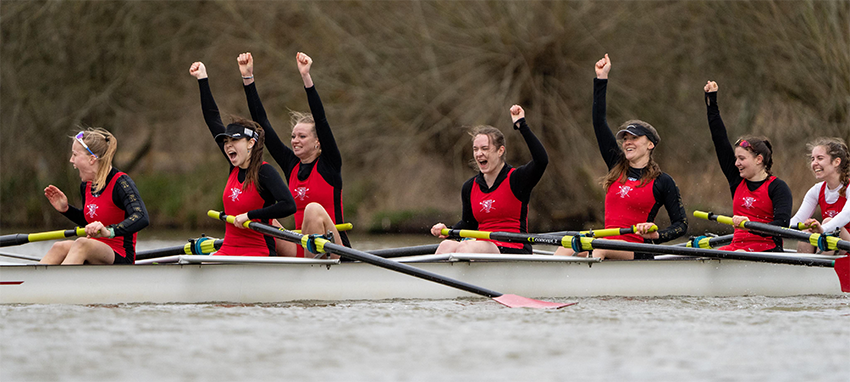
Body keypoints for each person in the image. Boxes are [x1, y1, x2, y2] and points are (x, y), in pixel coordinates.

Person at [555, 54, 687, 259]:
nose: (627, 142)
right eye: (624, 138)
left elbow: (681, 225)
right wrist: (601, 79)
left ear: (650, 144)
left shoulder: (663, 182)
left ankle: (586, 282)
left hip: (639, 250)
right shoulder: (617, 166)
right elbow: (599, 122)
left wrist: (656, 235)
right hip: (608, 244)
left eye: (634, 138)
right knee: (567, 245)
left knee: (600, 247)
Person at [237, 52, 348, 258]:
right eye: (293, 136)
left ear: (317, 142)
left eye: (302, 136)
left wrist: (306, 77)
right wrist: (248, 78)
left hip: (336, 249)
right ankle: (255, 264)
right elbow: (263, 124)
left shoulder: (330, 163)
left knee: (312, 210)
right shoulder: (291, 164)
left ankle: (308, 269)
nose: (295, 140)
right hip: (301, 245)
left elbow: (321, 120)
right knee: (259, 218)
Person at [189, 61, 296, 256]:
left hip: (258, 251)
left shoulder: (265, 172)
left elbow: (288, 205)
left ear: (250, 143)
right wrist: (202, 79)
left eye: (234, 140)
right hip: (228, 249)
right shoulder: (234, 167)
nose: (228, 145)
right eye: (226, 141)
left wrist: (250, 216)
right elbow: (212, 119)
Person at [429, 104, 548, 254]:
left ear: (500, 151)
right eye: (475, 149)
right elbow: (468, 224)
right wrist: (448, 230)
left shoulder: (517, 179)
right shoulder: (469, 187)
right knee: (446, 246)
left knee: (467, 247)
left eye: (484, 149)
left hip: (514, 248)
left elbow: (541, 161)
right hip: (482, 246)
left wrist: (521, 124)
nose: (479, 154)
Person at [704, 80, 793, 252]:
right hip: (737, 247)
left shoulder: (778, 187)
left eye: (742, 159)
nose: (736, 163)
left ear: (759, 159)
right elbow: (719, 139)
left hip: (767, 250)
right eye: (736, 158)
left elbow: (782, 225)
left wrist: (750, 226)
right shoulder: (736, 179)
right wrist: (711, 101)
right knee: (713, 255)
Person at [41, 128, 149, 264]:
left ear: (92, 159)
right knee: (59, 247)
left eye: (75, 155)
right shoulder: (86, 185)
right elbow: (89, 222)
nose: (71, 160)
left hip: (119, 254)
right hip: (93, 249)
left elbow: (141, 217)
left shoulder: (121, 183)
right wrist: (66, 209)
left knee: (81, 244)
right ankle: (32, 284)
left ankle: (61, 283)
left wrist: (109, 231)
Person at [789, 137, 850, 254]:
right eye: (812, 159)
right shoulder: (816, 190)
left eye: (820, 158)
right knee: (806, 231)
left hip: (847, 244)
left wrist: (823, 229)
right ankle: (803, 269)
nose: (814, 163)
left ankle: (819, 266)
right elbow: (796, 220)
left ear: (836, 162)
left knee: (827, 222)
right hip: (834, 243)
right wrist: (773, 228)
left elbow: (846, 215)